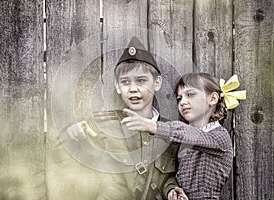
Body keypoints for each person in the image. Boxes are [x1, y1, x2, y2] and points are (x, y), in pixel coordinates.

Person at [53, 36, 181, 200]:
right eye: (125, 82)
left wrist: (171, 189)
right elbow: (60, 158)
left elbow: (167, 176)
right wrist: (70, 135)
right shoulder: (103, 124)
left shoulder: (169, 132)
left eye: (141, 81)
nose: (133, 89)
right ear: (117, 86)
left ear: (156, 83)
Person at [121, 73, 246, 200]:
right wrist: (173, 191)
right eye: (179, 98)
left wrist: (152, 126)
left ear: (213, 99)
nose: (183, 102)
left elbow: (189, 134)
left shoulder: (220, 137)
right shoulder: (184, 141)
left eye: (190, 94)